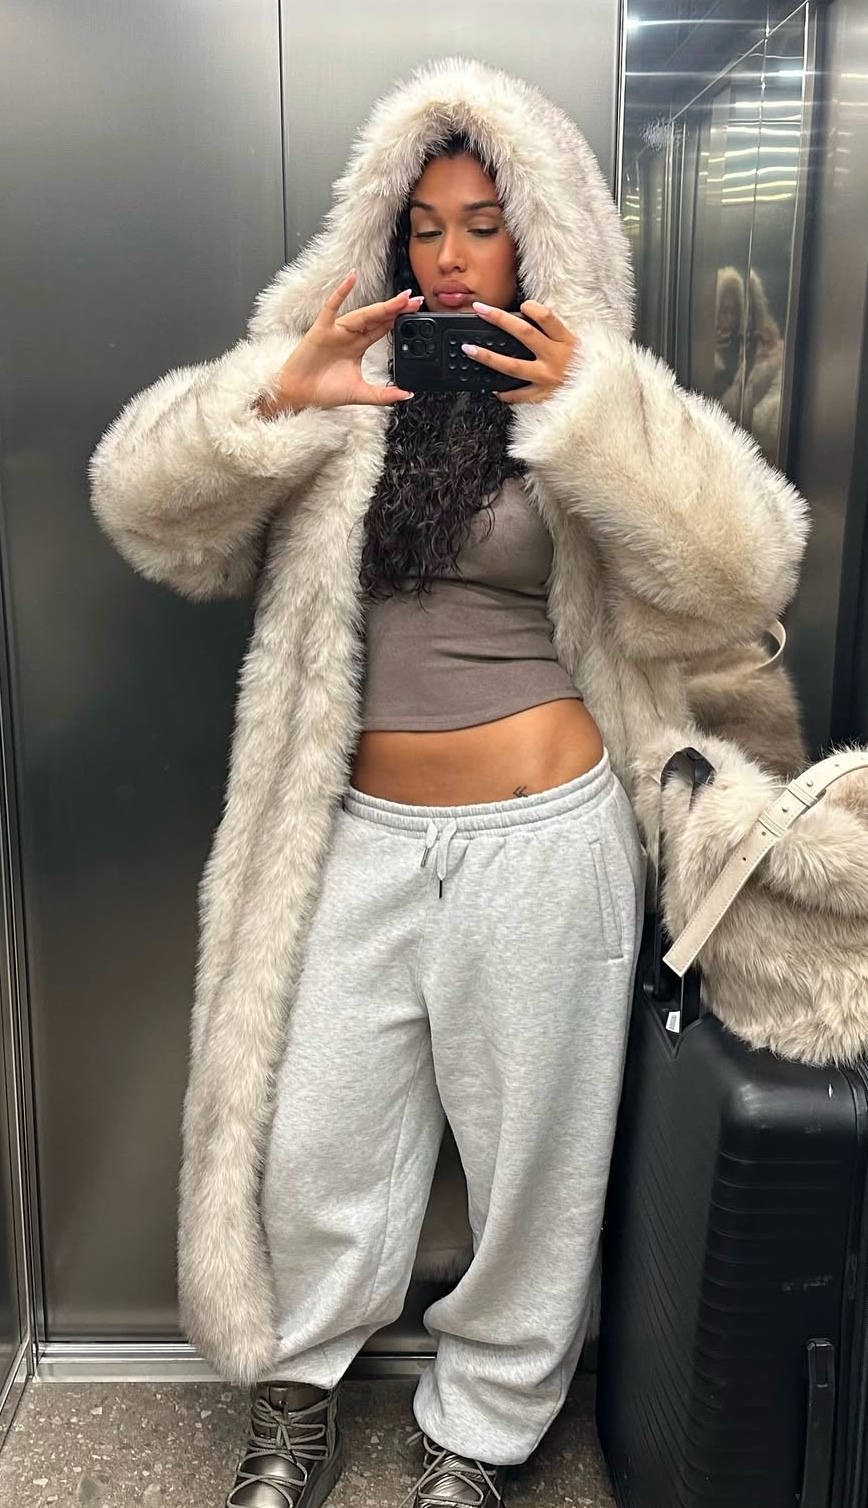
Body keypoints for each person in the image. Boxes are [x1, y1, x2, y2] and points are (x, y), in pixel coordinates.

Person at [88, 56, 809, 1508]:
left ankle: (482, 1426)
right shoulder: (338, 370)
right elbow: (146, 512)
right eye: (425, 225)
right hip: (355, 832)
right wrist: (273, 398)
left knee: (534, 1160)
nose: (451, 256)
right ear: (389, 231)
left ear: (535, 236)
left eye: (484, 224)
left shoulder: (593, 391)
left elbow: (744, 570)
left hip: (547, 838)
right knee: (317, 1142)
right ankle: (295, 1393)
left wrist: (595, 414)